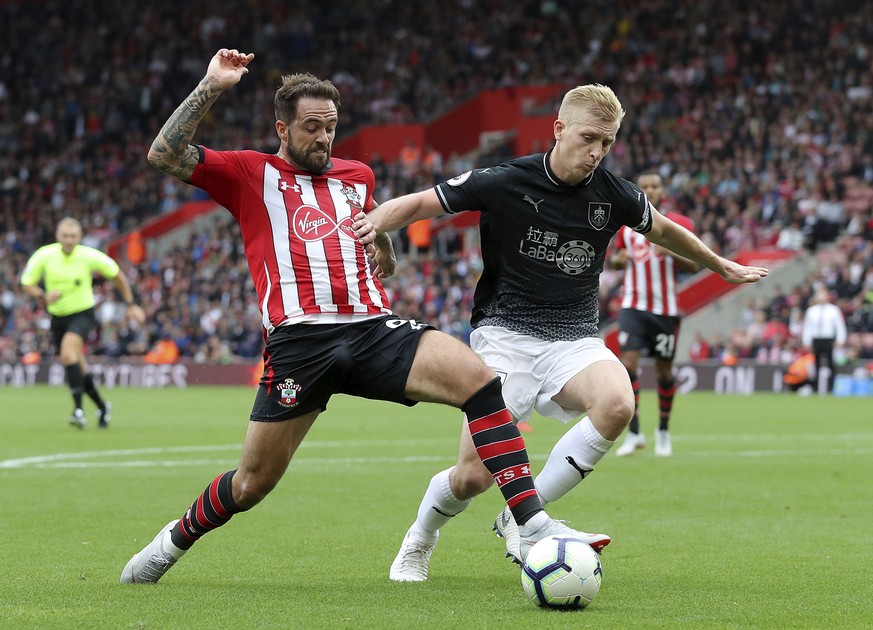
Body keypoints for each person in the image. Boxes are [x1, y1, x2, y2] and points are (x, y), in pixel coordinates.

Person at [120, 48, 590, 585]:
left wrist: (384, 249)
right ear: (283, 127)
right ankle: (171, 542)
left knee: (483, 384)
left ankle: (530, 526)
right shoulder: (249, 172)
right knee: (252, 483)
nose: (323, 138)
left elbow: (368, 222)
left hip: (373, 329)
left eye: (331, 127)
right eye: (312, 127)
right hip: (301, 341)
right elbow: (163, 153)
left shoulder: (357, 175)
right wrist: (212, 85)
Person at [353, 83, 769, 582]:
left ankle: (524, 515)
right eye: (589, 138)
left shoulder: (612, 193)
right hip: (503, 339)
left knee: (618, 403)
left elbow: (663, 229)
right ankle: (420, 539)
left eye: (608, 143)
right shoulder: (506, 180)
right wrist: (371, 226)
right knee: (473, 477)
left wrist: (718, 264)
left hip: (574, 339)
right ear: (559, 129)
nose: (596, 152)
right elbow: (422, 203)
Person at [19, 217, 146, 428]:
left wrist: (131, 304)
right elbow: (26, 283)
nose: (69, 240)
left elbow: (117, 275)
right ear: (58, 236)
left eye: (73, 236)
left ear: (80, 237)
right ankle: (103, 406)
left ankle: (78, 411)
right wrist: (43, 295)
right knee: (77, 365)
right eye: (65, 236)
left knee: (69, 354)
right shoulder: (44, 255)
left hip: (83, 314)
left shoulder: (88, 256)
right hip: (58, 317)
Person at [611, 172, 698, 458]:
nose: (650, 190)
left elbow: (696, 265)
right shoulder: (626, 227)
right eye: (645, 187)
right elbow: (616, 259)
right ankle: (635, 433)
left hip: (665, 311)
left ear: (663, 191)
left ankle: (662, 430)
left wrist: (672, 253)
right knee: (629, 364)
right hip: (633, 306)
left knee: (663, 372)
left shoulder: (678, 224)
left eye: (655, 186)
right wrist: (618, 260)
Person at [801, 286, 847, 393]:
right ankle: (816, 387)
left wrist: (840, 339)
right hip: (816, 339)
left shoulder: (834, 310)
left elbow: (839, 326)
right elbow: (807, 327)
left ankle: (832, 387)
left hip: (829, 339)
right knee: (816, 363)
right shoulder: (811, 311)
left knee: (831, 363)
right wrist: (806, 341)